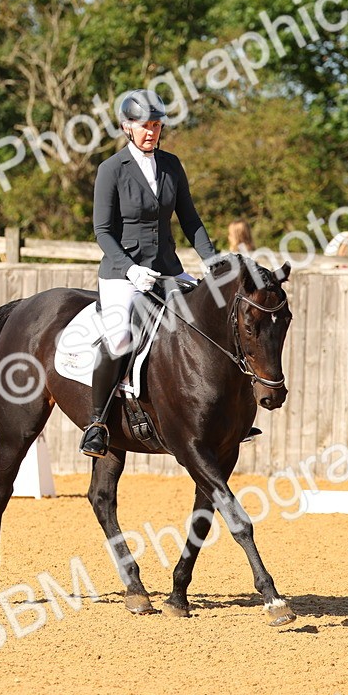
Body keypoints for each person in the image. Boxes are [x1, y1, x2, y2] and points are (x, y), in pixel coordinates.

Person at [80, 89, 219, 458]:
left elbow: (190, 219)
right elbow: (102, 231)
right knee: (119, 338)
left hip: (167, 270)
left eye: (156, 126)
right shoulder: (111, 169)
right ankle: (97, 423)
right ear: (127, 127)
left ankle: (220, 416)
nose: (151, 132)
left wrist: (211, 259)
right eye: (144, 126)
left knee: (206, 321)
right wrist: (129, 269)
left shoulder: (171, 165)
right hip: (121, 272)